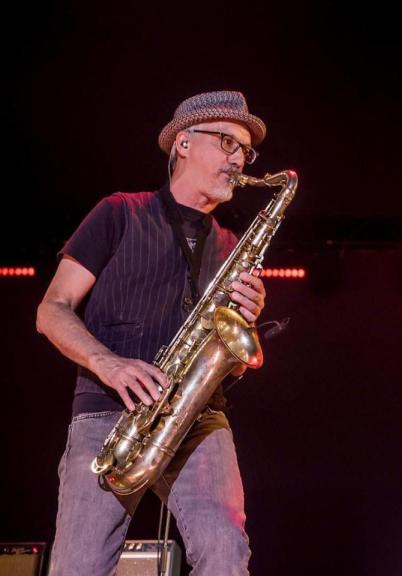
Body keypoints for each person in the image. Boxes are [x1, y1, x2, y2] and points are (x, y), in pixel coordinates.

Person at [36, 90, 269, 575]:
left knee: (226, 553)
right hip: (109, 414)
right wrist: (108, 362)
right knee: (77, 567)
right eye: (226, 141)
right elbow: (52, 310)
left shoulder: (230, 245)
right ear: (183, 142)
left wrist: (246, 314)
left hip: (198, 416)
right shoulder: (119, 212)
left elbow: (223, 349)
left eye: (244, 151)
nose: (237, 159)